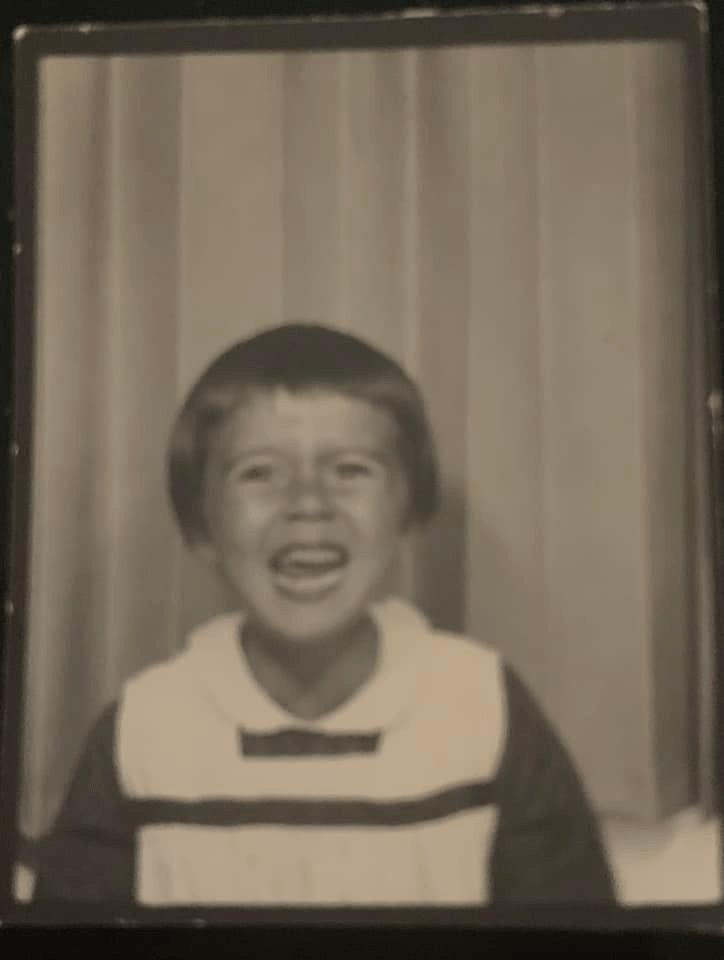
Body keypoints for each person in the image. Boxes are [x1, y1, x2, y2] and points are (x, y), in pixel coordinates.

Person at [33, 322, 616, 907]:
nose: (308, 503)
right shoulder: (145, 730)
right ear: (202, 527)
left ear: (409, 515)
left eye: (351, 470)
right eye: (259, 473)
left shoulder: (482, 707)